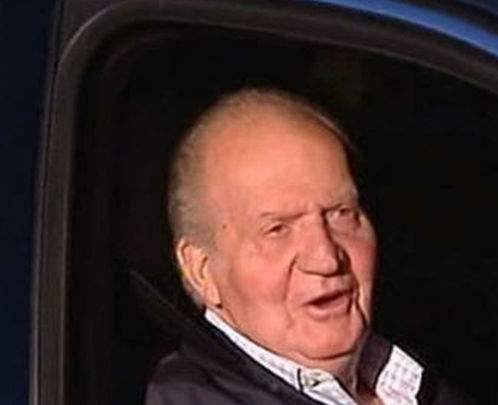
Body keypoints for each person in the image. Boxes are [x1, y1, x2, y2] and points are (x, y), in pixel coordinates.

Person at [145, 88, 470, 405]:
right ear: (202, 271)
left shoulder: (418, 378)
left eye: (341, 213)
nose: (326, 258)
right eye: (277, 230)